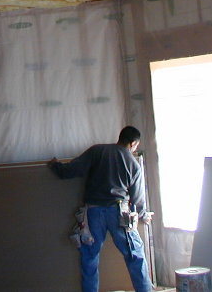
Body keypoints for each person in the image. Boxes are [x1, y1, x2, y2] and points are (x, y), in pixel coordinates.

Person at [49, 125, 153, 292]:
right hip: (119, 213)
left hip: (93, 212)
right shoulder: (133, 163)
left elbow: (71, 170)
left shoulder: (97, 151)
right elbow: (138, 197)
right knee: (135, 255)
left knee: (89, 257)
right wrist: (142, 215)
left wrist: (56, 166)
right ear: (133, 143)